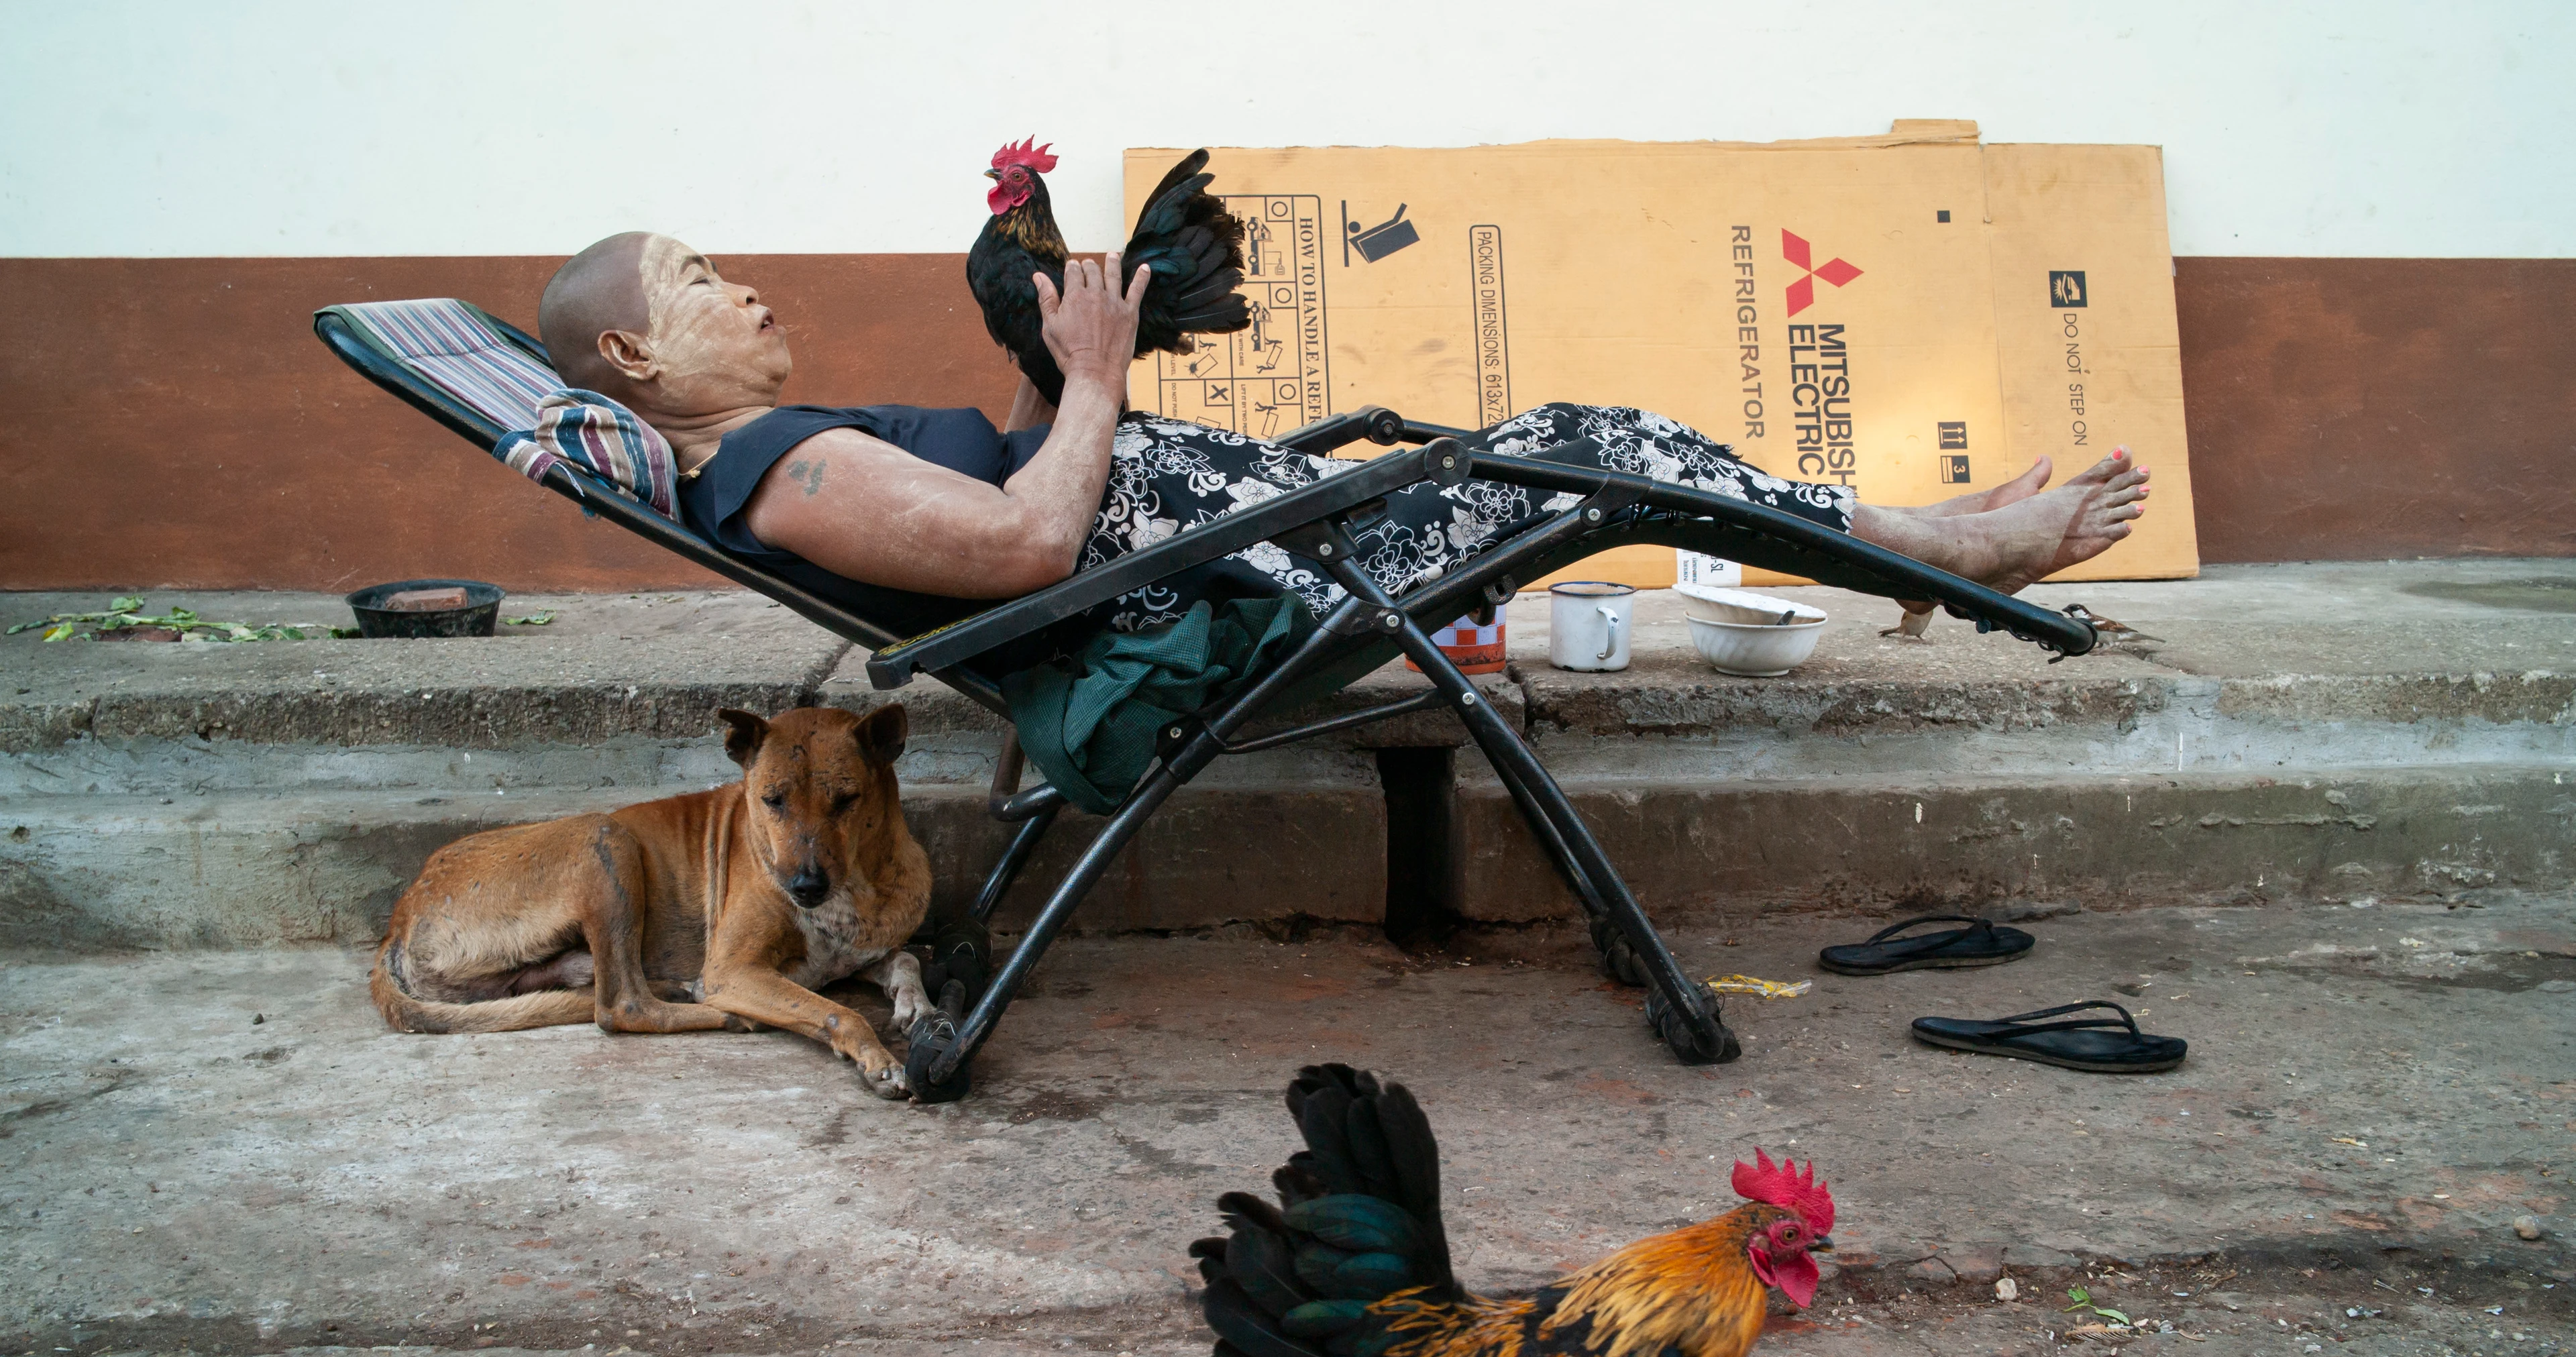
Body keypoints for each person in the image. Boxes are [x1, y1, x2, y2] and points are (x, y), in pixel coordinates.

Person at [537, 232, 2150, 651]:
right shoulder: (787, 471)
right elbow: (1033, 552)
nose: (742, 287)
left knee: (1589, 448)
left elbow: (1018, 506)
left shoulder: (779, 457)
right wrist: (1093, 380)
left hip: (1266, 532)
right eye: (698, 281)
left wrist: (1057, 375)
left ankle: (1921, 543)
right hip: (1261, 579)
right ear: (629, 355)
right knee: (1597, 447)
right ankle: (1948, 550)